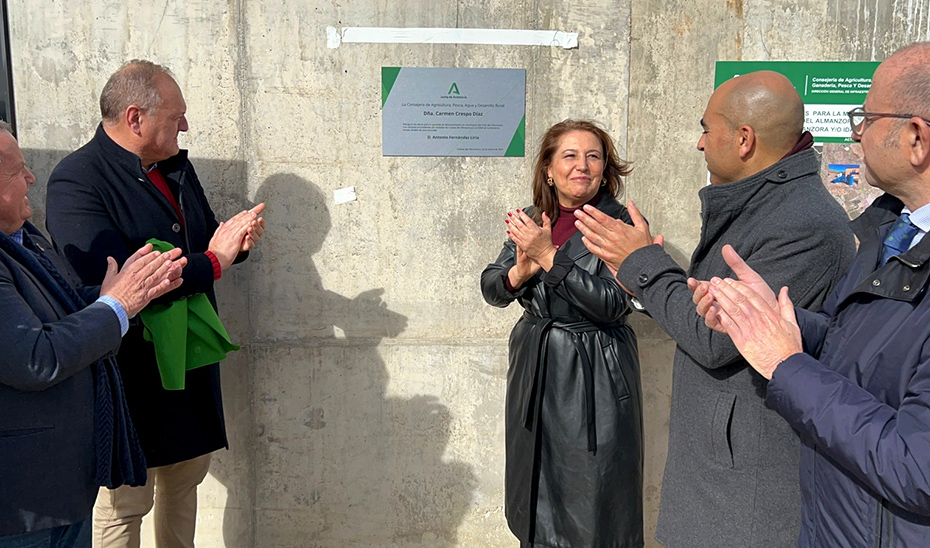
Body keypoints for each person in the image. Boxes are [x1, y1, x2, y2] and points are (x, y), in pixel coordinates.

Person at [573, 72, 856, 547]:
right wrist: (646, 277)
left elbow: (715, 340)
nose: (700, 143)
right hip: (720, 468)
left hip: (747, 490)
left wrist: (641, 262)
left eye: (706, 128)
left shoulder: (802, 223)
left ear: (744, 139)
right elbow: (709, 308)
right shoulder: (763, 202)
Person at [692, 42, 930, 547]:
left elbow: (916, 470)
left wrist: (785, 363)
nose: (855, 131)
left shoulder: (814, 222)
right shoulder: (891, 230)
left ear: (915, 138)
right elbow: (863, 349)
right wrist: (776, 319)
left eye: (866, 116)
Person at [44, 60, 264, 548]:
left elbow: (203, 239)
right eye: (176, 115)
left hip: (187, 369)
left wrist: (236, 241)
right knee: (125, 506)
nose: (185, 125)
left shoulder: (171, 167)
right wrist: (215, 260)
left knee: (185, 490)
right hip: (130, 377)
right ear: (136, 117)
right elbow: (123, 283)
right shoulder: (76, 180)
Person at [0, 121, 187, 548]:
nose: (31, 178)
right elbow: (34, 356)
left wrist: (131, 293)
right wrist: (116, 305)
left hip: (64, 489)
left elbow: (61, 310)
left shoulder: (25, 239)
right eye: (17, 171)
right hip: (24, 506)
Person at [480, 119, 643, 547]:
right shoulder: (534, 219)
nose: (582, 166)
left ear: (605, 168)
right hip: (535, 365)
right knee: (533, 485)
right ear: (549, 169)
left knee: (590, 497)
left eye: (593, 156)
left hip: (593, 373)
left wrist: (550, 257)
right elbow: (492, 287)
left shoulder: (621, 223)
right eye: (569, 156)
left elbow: (612, 304)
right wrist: (521, 269)